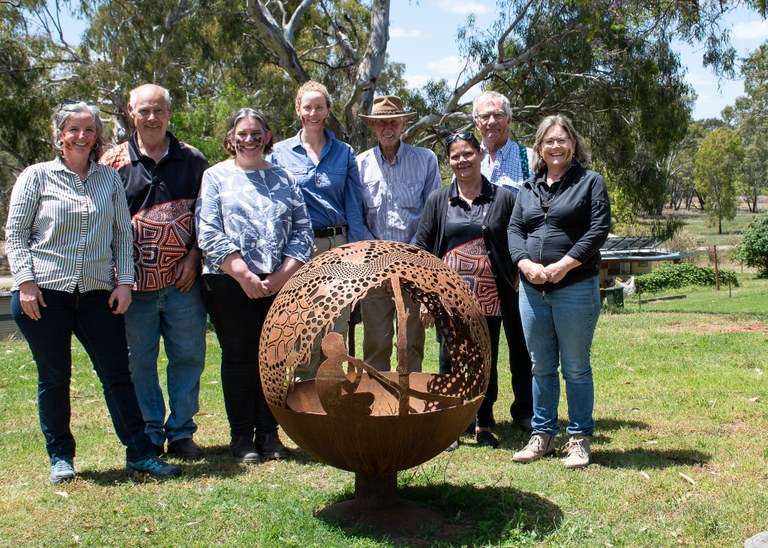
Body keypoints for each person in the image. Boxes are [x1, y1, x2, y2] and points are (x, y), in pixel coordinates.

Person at [5, 101, 181, 482]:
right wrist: (26, 283)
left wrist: (124, 282)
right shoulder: (36, 177)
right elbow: (16, 236)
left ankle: (140, 454)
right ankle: (61, 459)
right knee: (54, 377)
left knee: (118, 374)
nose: (82, 136)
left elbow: (122, 234)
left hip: (98, 294)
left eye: (89, 130)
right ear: (59, 135)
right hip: (46, 294)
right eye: (73, 129)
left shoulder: (108, 179)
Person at [197, 107, 313, 462]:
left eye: (256, 134)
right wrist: (244, 275)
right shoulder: (215, 177)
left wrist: (281, 276)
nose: (250, 140)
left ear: (267, 137)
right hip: (230, 283)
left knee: (274, 359)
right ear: (231, 138)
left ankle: (269, 433)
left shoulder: (284, 178)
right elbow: (208, 232)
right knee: (239, 358)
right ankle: (241, 437)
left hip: (279, 282)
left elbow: (302, 230)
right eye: (242, 134)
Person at [101, 84, 208, 460]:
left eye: (158, 110)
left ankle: (181, 432)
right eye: (144, 110)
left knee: (189, 356)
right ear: (131, 110)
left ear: (170, 112)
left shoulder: (193, 159)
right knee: (139, 361)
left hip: (184, 283)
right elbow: (105, 224)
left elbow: (207, 218)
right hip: (134, 287)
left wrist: (194, 257)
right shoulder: (112, 163)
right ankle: (150, 432)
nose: (152, 117)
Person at [508, 114, 610, 468]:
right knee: (540, 366)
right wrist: (525, 264)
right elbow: (515, 230)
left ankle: (579, 438)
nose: (555, 146)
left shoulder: (590, 182)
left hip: (575, 287)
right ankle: (543, 435)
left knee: (576, 367)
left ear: (573, 144)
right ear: (539, 147)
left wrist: (565, 264)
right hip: (533, 290)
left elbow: (598, 229)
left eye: (561, 140)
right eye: (548, 141)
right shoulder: (527, 188)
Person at [415, 132, 517, 449]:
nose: (462, 160)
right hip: (450, 298)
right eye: (456, 156)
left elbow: (516, 242)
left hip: (491, 296)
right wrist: (427, 297)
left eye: (468, 153)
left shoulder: (502, 198)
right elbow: (422, 249)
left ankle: (483, 424)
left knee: (484, 359)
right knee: (451, 359)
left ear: (479, 154)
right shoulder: (438, 200)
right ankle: (453, 423)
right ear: (449, 161)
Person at [268, 80, 371, 377]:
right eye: (308, 107)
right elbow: (275, 207)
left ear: (328, 110)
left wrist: (358, 253)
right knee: (304, 321)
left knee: (335, 322)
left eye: (319, 107)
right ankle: (303, 391)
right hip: (300, 247)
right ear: (298, 109)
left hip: (338, 246)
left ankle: (331, 390)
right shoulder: (279, 153)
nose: (313, 113)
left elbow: (354, 206)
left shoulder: (344, 153)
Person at [356, 95, 442, 372]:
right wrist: (378, 255)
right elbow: (356, 217)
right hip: (375, 269)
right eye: (381, 123)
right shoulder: (359, 166)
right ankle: (379, 406)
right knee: (376, 343)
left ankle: (410, 406)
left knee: (412, 343)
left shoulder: (426, 160)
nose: (388, 128)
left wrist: (410, 254)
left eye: (393, 121)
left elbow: (433, 212)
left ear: (404, 122)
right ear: (373, 126)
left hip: (414, 267)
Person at [473, 90, 534, 432]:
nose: (491, 121)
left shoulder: (527, 158)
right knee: (485, 342)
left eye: (498, 115)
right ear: (476, 122)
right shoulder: (468, 158)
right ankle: (483, 411)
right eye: (485, 116)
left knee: (521, 342)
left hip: (517, 265)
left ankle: (525, 410)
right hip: (479, 267)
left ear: (509, 120)